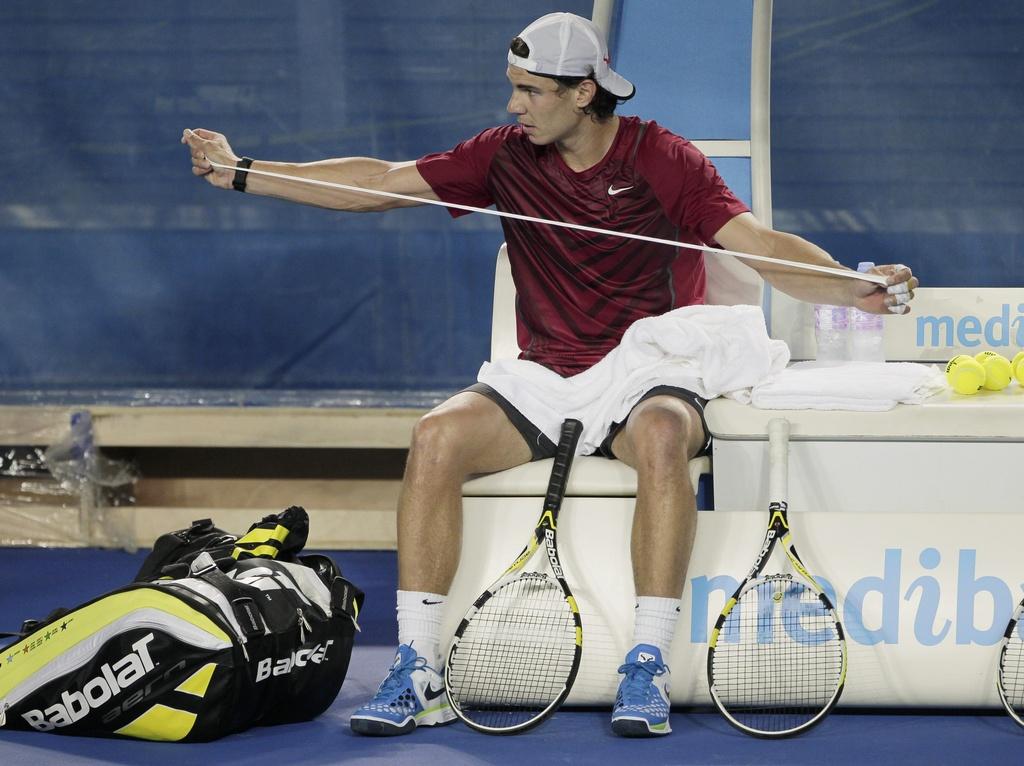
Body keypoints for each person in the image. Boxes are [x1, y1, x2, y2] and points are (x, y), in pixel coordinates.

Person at [182, 11, 918, 738]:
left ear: (582, 91)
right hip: (546, 373)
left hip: (645, 363)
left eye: (531, 91)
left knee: (664, 436)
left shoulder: (663, 158)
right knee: (435, 436)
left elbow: (760, 247)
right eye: (514, 88)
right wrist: (243, 171)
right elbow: (379, 183)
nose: (514, 105)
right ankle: (420, 667)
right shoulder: (503, 155)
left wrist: (855, 288)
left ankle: (647, 662)